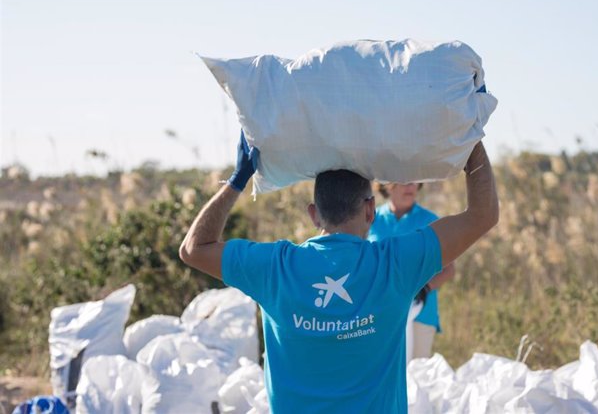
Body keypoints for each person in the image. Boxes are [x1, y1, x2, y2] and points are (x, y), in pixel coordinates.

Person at [179, 132, 498, 413]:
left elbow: (193, 249)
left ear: (314, 214)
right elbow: (483, 215)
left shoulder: (274, 266)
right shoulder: (396, 262)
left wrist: (237, 180)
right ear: (371, 210)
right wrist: (468, 134)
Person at [368, 183, 455, 362]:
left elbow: (448, 269)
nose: (410, 187)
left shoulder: (431, 221)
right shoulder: (370, 219)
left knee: (415, 379)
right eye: (403, 181)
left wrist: (423, 290)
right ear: (388, 184)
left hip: (420, 315)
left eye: (414, 181)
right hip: (378, 315)